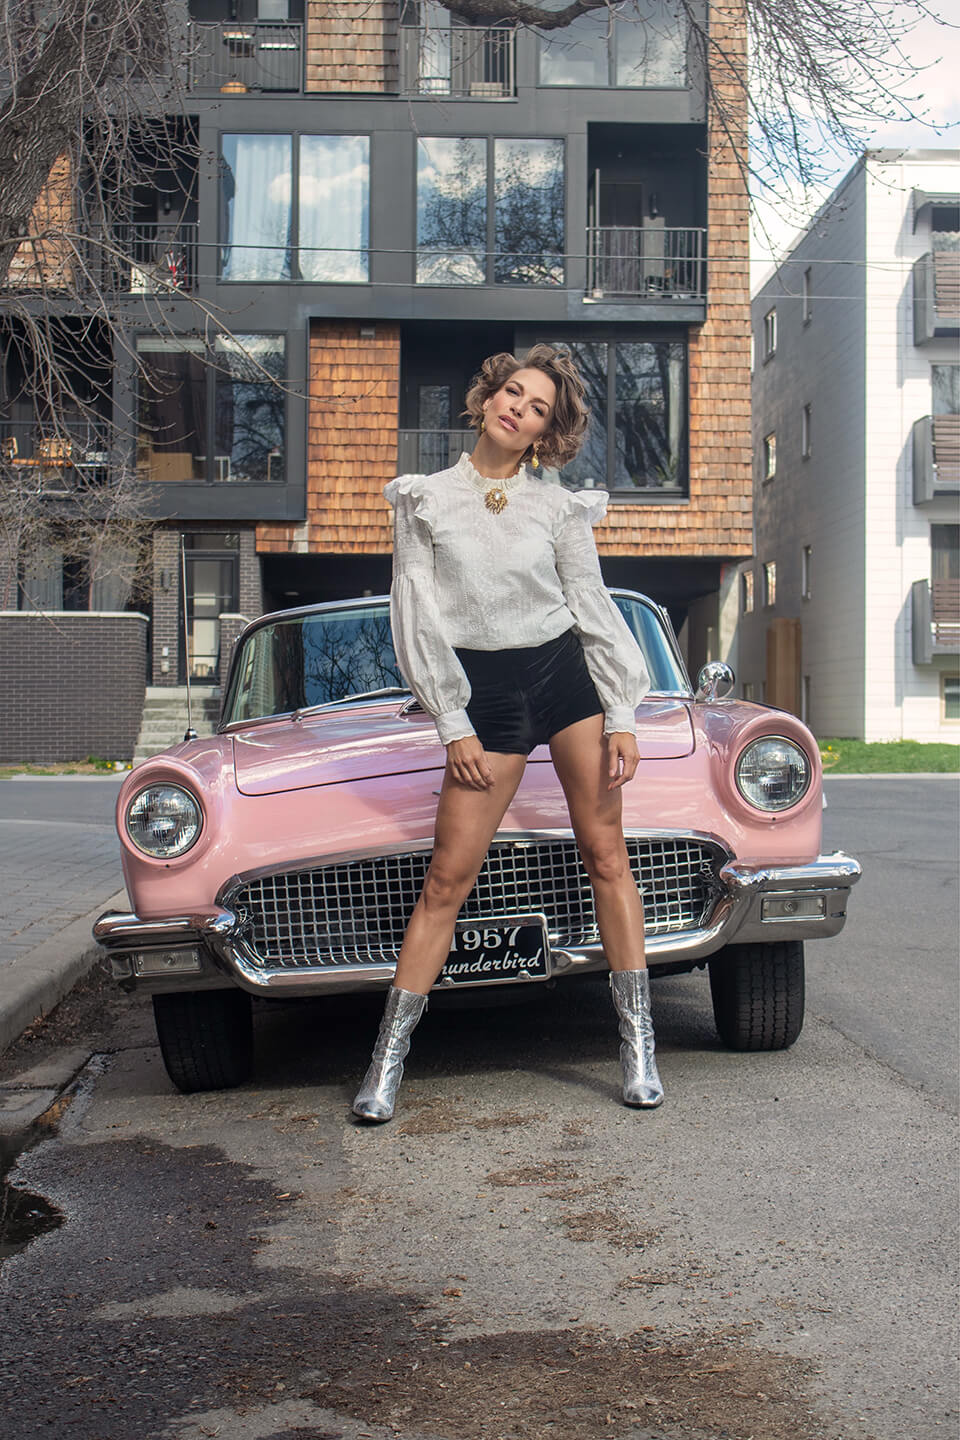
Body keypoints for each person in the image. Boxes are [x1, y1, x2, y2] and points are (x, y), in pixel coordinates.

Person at [352, 344, 663, 1123]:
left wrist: (620, 710)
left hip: (564, 677)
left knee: (606, 854)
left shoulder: (558, 507)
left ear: (543, 435)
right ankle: (386, 1066)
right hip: (481, 693)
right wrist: (450, 720)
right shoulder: (422, 500)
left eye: (535, 408)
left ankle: (638, 1049)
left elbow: (590, 603)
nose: (517, 408)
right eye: (512, 392)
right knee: (448, 880)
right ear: (488, 396)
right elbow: (415, 613)